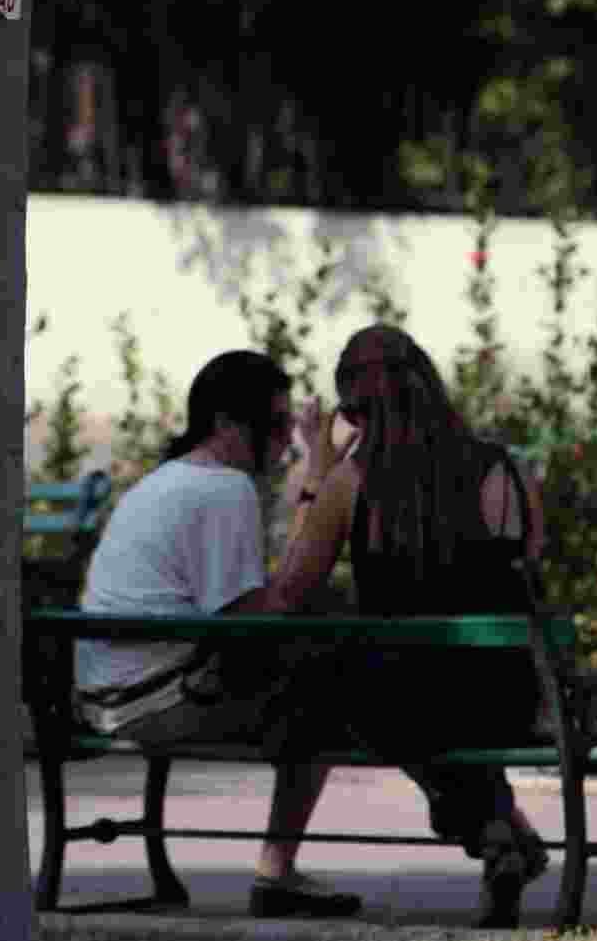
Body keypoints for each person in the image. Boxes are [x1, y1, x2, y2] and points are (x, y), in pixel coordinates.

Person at [265, 324, 550, 928]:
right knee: (447, 701)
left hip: (405, 698)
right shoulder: (509, 470)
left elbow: (291, 589)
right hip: (513, 691)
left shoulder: (353, 480)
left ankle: (494, 828)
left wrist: (318, 468)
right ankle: (499, 827)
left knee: (330, 680)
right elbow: (529, 569)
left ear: (354, 408)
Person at [75, 351, 364, 919]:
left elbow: (257, 603)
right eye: (277, 426)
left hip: (105, 696)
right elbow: (268, 609)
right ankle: (276, 873)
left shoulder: (172, 480)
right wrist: (321, 484)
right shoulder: (222, 488)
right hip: (152, 702)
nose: (286, 441)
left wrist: (312, 484)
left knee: (319, 673)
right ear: (230, 427)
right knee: (332, 699)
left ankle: (279, 872)